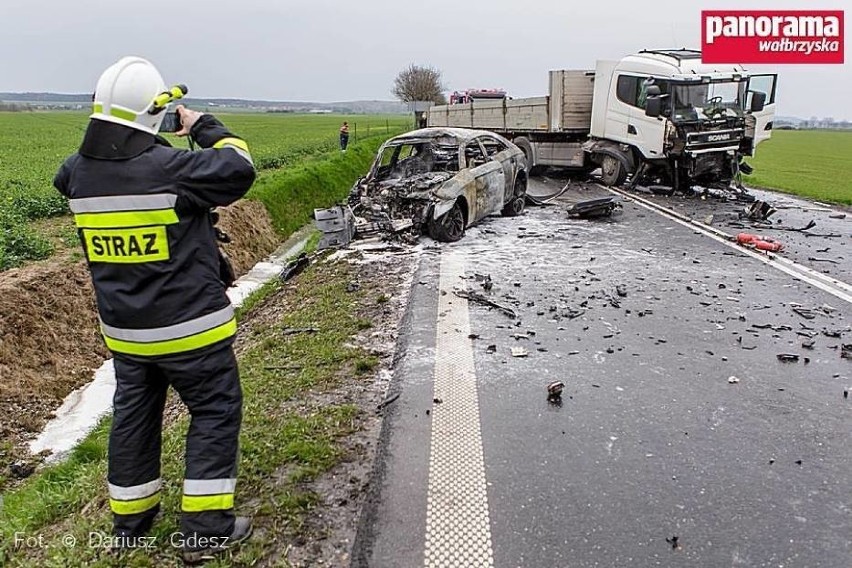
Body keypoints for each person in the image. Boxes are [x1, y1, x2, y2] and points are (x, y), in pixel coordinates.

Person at [53, 56, 255, 562]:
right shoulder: (172, 168)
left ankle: (131, 522)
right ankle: (205, 530)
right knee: (213, 412)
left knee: (134, 417)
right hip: (191, 331)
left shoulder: (76, 175)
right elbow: (238, 168)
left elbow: (88, 172)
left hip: (126, 336)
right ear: (153, 112)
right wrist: (203, 126)